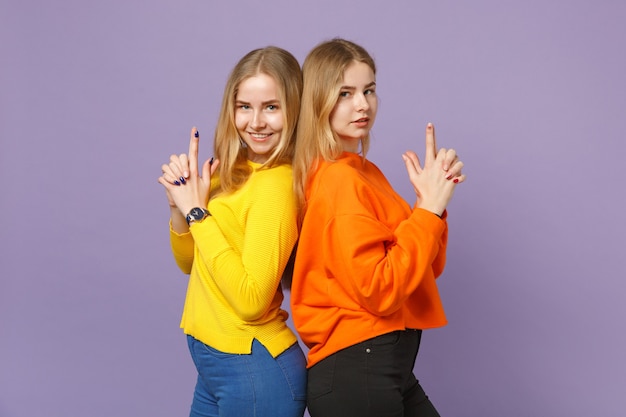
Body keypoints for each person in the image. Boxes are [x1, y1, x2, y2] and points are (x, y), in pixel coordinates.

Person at [290, 38, 466, 417]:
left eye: (369, 90)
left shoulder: (363, 172)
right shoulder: (338, 181)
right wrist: (429, 211)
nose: (362, 104)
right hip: (359, 367)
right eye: (345, 93)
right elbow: (379, 289)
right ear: (319, 100)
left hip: (384, 368)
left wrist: (430, 205)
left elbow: (422, 270)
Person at [157, 46, 307, 417]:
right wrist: (179, 207)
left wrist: (197, 211)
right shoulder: (232, 171)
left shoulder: (277, 185)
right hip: (216, 365)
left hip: (253, 368)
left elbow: (252, 299)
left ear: (295, 109)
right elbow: (191, 263)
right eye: (245, 107)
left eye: (271, 107)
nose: (255, 122)